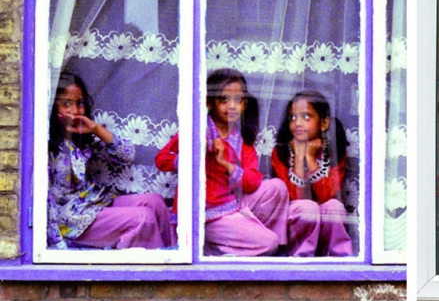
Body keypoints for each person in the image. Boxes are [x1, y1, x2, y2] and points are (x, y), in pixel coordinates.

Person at [156, 68, 289, 256]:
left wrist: (227, 165)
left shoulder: (241, 138)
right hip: (207, 215)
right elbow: (162, 160)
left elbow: (252, 182)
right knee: (269, 242)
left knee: (277, 187)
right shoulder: (197, 130)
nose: (232, 106)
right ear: (210, 103)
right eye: (224, 99)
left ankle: (265, 245)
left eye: (238, 99)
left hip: (232, 203)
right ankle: (214, 250)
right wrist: (196, 154)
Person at [48, 71, 173, 250]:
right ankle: (157, 273)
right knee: (142, 218)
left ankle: (173, 259)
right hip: (70, 220)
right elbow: (45, 199)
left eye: (79, 103)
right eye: (66, 104)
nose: (75, 111)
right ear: (53, 106)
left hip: (92, 204)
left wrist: (96, 129)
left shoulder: (80, 140)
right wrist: (56, 244)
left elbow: (127, 155)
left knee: (154, 202)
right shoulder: (48, 146)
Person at [271, 90, 353, 257]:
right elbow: (293, 197)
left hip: (323, 215)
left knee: (334, 207)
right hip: (294, 217)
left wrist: (310, 158)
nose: (298, 123)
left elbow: (328, 195)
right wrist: (299, 156)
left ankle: (338, 259)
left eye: (306, 117)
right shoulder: (281, 152)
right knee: (307, 207)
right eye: (293, 118)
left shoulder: (333, 151)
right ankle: (301, 258)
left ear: (323, 123)